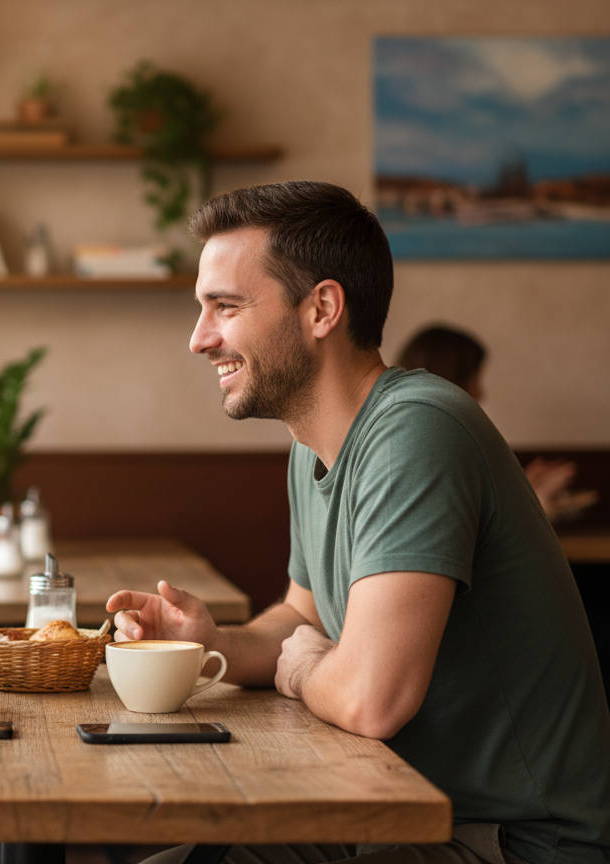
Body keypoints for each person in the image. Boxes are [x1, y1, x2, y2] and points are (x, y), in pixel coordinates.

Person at [107, 182, 610, 864]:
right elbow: (300, 618)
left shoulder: (416, 429)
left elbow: (372, 699)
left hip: (508, 841)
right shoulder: (312, 443)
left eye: (225, 307)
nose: (199, 339)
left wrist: (305, 669)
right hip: (392, 809)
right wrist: (212, 643)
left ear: (321, 308)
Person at [397, 325, 578, 521]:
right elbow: (460, 530)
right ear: (446, 381)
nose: (480, 393)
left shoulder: (422, 444)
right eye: (472, 378)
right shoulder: (430, 452)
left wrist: (523, 490)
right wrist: (536, 507)